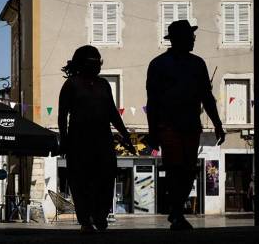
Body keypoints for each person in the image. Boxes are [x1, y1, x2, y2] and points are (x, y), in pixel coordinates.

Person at [146, 20, 225, 230]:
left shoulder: (197, 63)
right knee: (175, 169)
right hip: (168, 125)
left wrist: (217, 123)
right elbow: (152, 102)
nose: (193, 40)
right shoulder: (159, 64)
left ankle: (176, 210)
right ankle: (177, 212)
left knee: (188, 170)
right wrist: (153, 131)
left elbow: (207, 97)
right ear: (179, 39)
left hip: (190, 125)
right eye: (190, 36)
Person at [58, 45, 135, 233]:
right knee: (80, 181)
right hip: (79, 140)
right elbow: (62, 116)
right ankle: (85, 220)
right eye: (95, 62)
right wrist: (65, 141)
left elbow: (113, 114)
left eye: (100, 62)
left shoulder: (104, 85)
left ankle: (100, 215)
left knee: (106, 179)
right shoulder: (71, 84)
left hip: (103, 139)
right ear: (83, 64)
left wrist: (126, 136)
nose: (99, 66)